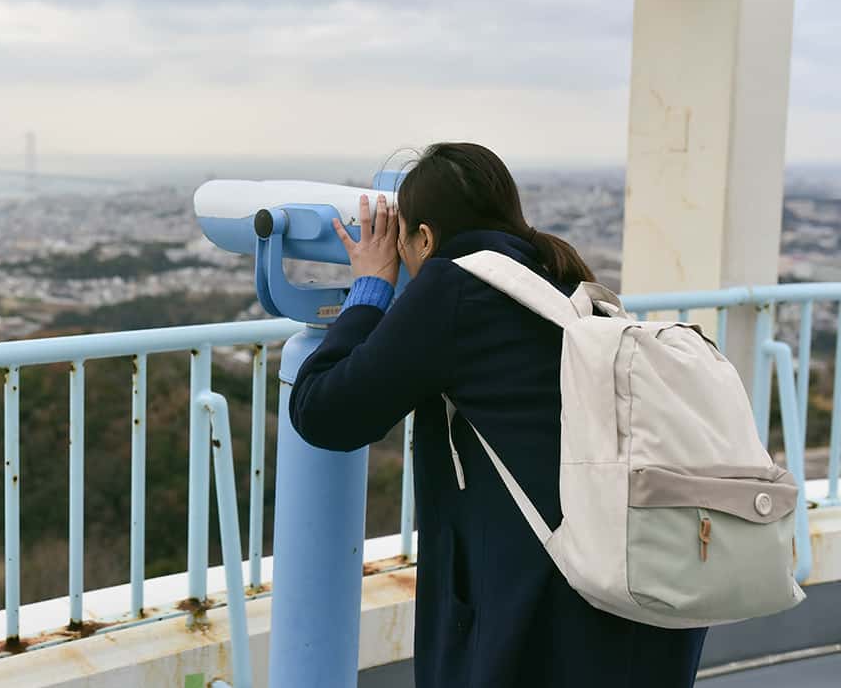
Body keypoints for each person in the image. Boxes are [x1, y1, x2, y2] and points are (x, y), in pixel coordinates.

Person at [288, 142, 707, 688]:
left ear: (424, 237)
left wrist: (370, 287)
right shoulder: (565, 281)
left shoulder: (453, 287)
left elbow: (325, 412)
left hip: (537, 612)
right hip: (632, 588)